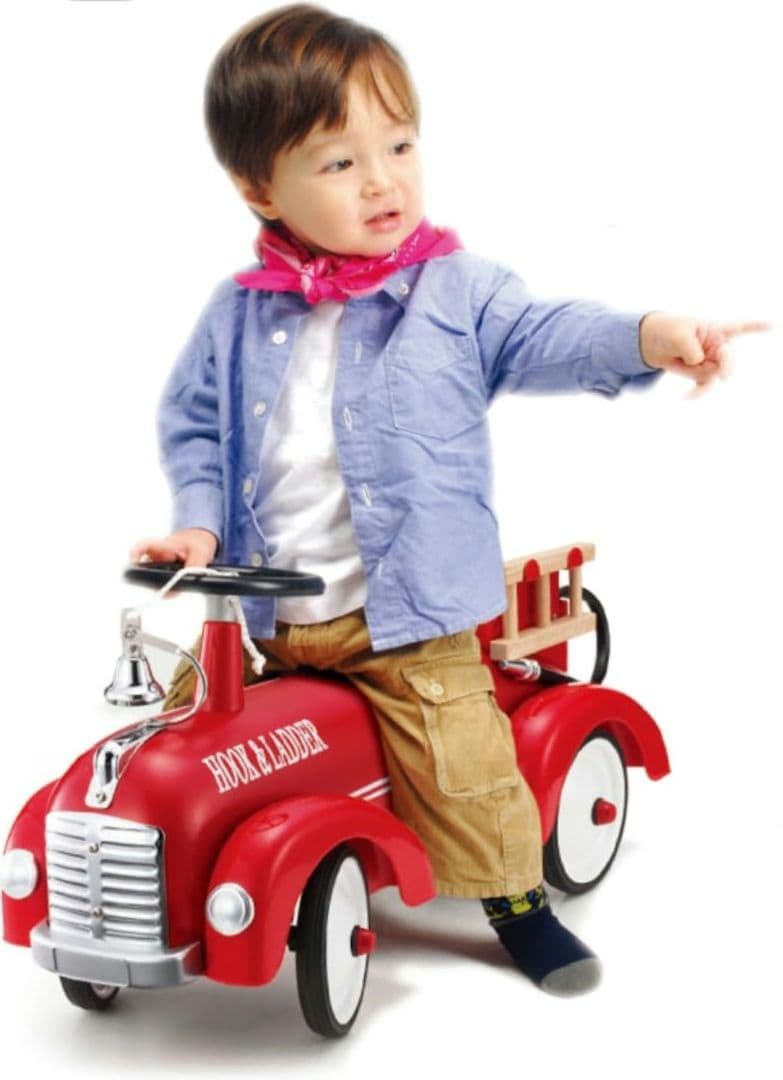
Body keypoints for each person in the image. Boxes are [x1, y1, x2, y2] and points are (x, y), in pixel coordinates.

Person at [130, 4, 767, 996]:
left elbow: (546, 333)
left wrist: (648, 336)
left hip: (406, 621)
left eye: (398, 145)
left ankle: (516, 902)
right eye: (338, 162)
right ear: (260, 188)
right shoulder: (237, 314)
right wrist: (199, 527)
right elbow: (198, 426)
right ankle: (161, 894)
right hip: (261, 623)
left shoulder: (456, 292)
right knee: (172, 743)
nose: (382, 180)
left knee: (461, 758)